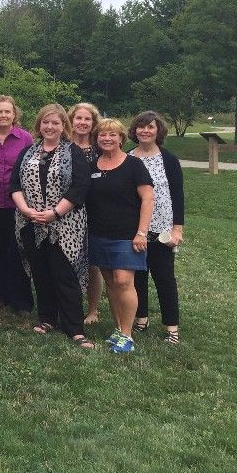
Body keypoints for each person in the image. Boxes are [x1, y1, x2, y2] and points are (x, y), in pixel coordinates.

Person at [10, 104, 93, 348]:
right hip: (31, 223)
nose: (50, 127)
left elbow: (80, 187)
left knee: (65, 275)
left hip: (65, 226)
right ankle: (47, 318)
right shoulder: (27, 153)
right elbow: (14, 185)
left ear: (63, 126)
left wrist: (55, 213)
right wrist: (26, 210)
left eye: (55, 123)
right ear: (39, 125)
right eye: (45, 122)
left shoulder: (73, 152)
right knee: (41, 273)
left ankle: (74, 328)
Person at [85, 118, 155, 354]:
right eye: (102, 135)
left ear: (121, 139)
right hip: (99, 234)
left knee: (124, 281)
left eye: (112, 135)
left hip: (128, 235)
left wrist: (142, 232)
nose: (107, 138)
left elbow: (148, 198)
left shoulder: (134, 164)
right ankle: (118, 328)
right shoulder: (92, 166)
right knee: (112, 283)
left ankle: (127, 335)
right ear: (97, 139)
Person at [129, 111, 184, 345]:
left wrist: (177, 229)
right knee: (137, 277)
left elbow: (178, 196)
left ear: (158, 130)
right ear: (135, 130)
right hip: (135, 228)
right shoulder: (128, 158)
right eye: (141, 127)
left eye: (150, 127)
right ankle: (141, 319)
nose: (145, 131)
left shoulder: (168, 159)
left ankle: (172, 328)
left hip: (162, 229)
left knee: (164, 278)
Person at [0, 95, 34, 313]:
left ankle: (20, 299)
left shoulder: (25, 138)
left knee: (18, 250)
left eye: (7, 111)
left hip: (18, 204)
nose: (3, 115)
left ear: (14, 114)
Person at [68, 102, 103, 325]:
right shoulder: (63, 146)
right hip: (67, 211)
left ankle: (92, 310)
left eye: (87, 119)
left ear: (93, 123)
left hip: (94, 210)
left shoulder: (101, 148)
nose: (82, 122)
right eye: (78, 118)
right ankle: (69, 304)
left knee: (92, 264)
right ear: (71, 121)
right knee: (68, 260)